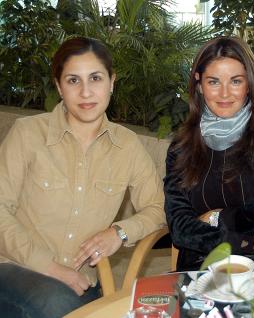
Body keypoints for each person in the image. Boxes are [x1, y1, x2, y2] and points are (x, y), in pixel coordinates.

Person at [0, 37, 166, 317]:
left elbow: (158, 208)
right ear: (59, 87)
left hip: (83, 281)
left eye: (96, 78)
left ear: (112, 82)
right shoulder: (27, 134)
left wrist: (119, 233)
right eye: (73, 80)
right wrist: (53, 269)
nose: (86, 92)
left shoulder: (127, 146)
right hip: (15, 267)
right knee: (58, 304)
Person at [164, 36, 254, 271]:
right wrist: (249, 241)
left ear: (249, 84)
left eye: (235, 81)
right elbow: (181, 229)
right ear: (199, 84)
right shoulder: (181, 147)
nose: (224, 94)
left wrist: (216, 217)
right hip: (205, 266)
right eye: (213, 82)